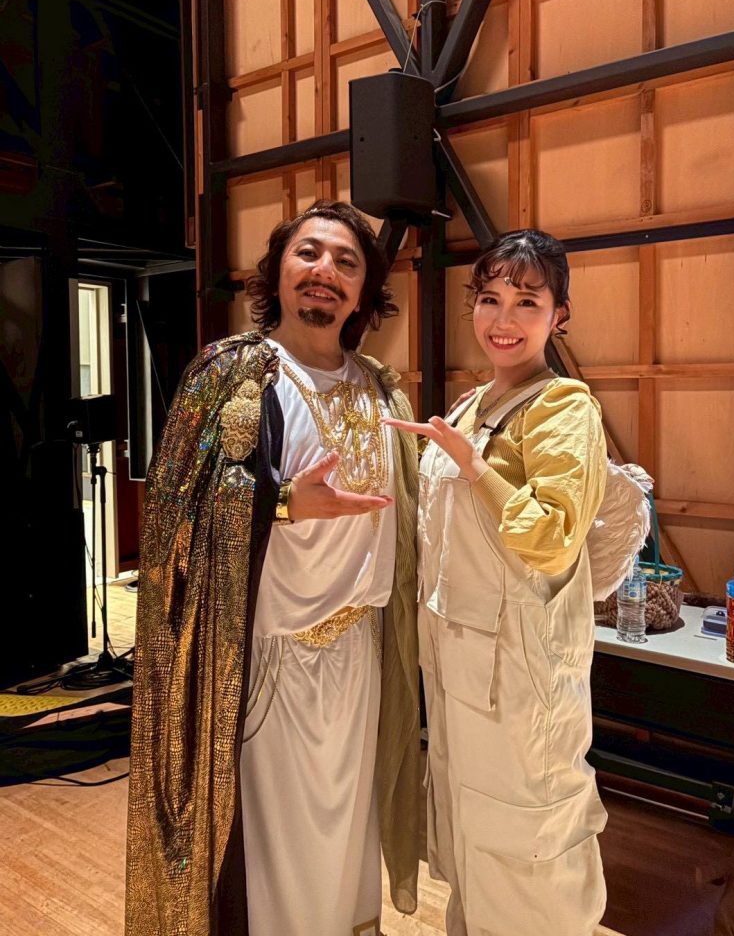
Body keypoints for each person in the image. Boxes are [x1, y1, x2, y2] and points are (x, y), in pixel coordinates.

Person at [125, 201, 420, 936]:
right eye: (308, 253)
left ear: (363, 290)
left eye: (346, 262)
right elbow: (172, 516)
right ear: (277, 270)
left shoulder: (380, 386)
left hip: (360, 655)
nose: (325, 271)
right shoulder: (232, 374)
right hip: (265, 658)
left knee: (346, 842)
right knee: (275, 855)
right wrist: (283, 503)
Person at [386, 229, 609, 936]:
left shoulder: (563, 407)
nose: (503, 320)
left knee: (528, 859)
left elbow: (551, 536)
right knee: (474, 850)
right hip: (457, 672)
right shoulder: (468, 406)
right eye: (489, 299)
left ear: (559, 315)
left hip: (519, 680)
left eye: (527, 302)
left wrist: (476, 467)